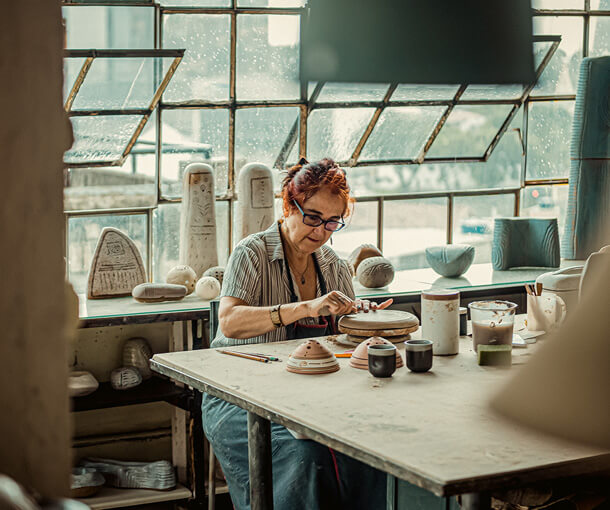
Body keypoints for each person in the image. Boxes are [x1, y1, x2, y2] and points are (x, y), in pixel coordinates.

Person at [203, 158, 392, 510]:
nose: (321, 231)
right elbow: (229, 321)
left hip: (308, 398)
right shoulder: (252, 253)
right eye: (313, 217)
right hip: (240, 397)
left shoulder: (333, 265)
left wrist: (359, 317)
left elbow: (344, 337)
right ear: (289, 205)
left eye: (333, 222)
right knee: (307, 458)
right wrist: (305, 307)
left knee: (371, 450)